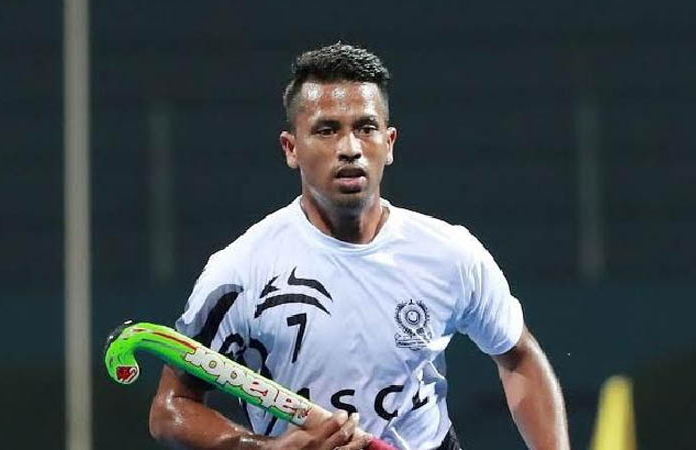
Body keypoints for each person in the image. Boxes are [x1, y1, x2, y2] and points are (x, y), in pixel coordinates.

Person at [149, 43, 569, 450]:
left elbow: (519, 358)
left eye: (365, 129)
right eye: (327, 130)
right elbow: (172, 407)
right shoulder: (238, 272)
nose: (350, 149)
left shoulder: (451, 254)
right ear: (291, 149)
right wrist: (264, 449)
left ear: (389, 143)